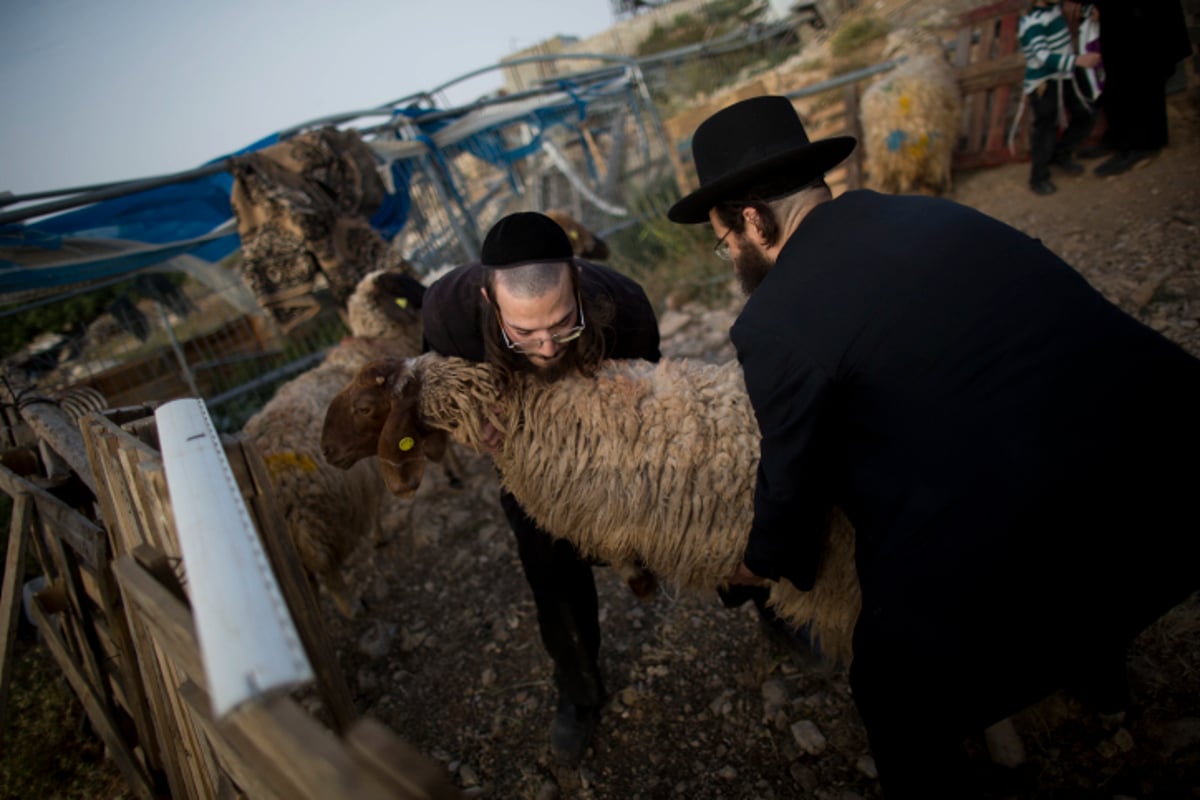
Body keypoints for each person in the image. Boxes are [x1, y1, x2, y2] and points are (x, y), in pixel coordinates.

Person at [666, 95, 1200, 797]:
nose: (732, 255)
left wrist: (758, 564)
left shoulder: (775, 321)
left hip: (1056, 552)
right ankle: (1099, 673)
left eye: (724, 240)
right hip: (1177, 486)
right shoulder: (939, 215)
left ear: (753, 217)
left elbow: (794, 483)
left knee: (891, 692)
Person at [420, 211, 661, 765]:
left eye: (561, 325)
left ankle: (756, 598)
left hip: (612, 439)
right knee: (546, 561)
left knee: (689, 514)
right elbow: (439, 387)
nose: (548, 348)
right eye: (524, 333)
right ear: (488, 298)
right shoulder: (447, 311)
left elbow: (656, 406)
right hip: (522, 455)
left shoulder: (625, 307)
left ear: (577, 283)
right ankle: (579, 691)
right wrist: (468, 424)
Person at [1081, 0, 1191, 175]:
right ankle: (1119, 137)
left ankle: (1145, 144)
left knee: (1144, 72)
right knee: (1116, 72)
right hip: (1117, 13)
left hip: (1143, 15)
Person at [1017, 0, 1101, 195]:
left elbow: (1079, 8)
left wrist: (1090, 11)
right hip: (1044, 84)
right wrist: (1077, 60)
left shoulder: (1055, 7)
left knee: (1085, 113)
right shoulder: (1032, 23)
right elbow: (1042, 55)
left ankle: (1061, 154)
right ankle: (1038, 178)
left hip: (1065, 76)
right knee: (1045, 128)